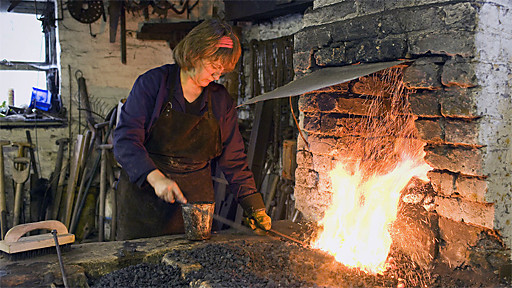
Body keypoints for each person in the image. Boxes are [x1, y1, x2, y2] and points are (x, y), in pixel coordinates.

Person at [113, 18, 271, 240]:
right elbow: (125, 140)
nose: (217, 77)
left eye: (222, 72)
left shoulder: (220, 100)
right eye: (214, 68)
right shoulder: (152, 84)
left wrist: (253, 204)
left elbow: (233, 158)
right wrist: (155, 177)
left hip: (195, 204)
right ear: (194, 55)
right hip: (145, 201)